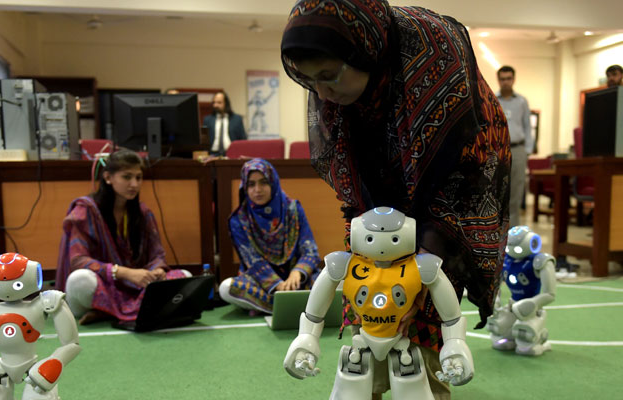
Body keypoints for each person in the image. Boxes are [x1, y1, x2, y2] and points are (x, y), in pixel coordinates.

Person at [281, 1, 511, 398]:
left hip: (457, 190)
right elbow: (354, 190)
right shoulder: (340, 99)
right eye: (307, 80)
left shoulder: (436, 60)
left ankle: (432, 377)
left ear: (365, 50)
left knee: (423, 337)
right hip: (386, 197)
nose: (321, 93)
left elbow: (459, 184)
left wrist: (421, 279)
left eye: (328, 76)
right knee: (372, 313)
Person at [55, 149, 188, 324]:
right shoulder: (86, 210)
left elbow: (157, 255)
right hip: (103, 285)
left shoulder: (142, 213)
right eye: (127, 177)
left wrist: (157, 271)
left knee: (184, 276)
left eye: (138, 178)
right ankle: (125, 309)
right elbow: (78, 261)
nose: (134, 184)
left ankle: (107, 312)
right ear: (108, 178)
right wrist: (123, 273)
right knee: (79, 280)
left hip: (136, 286)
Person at [218, 158, 321, 314]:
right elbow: (253, 262)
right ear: (244, 187)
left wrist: (297, 272)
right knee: (226, 288)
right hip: (262, 282)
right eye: (251, 184)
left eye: (264, 182)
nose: (257, 190)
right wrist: (278, 286)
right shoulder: (239, 219)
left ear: (273, 183)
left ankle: (275, 307)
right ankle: (297, 307)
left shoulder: (293, 209)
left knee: (332, 282)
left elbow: (310, 250)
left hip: (297, 281)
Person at [497, 65, 533, 229]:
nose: (506, 82)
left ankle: (514, 233)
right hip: (498, 150)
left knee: (516, 192)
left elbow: (527, 126)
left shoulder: (522, 101)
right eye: (502, 79)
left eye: (508, 78)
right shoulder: (493, 99)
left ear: (513, 79)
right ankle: (496, 232)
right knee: (498, 191)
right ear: (499, 80)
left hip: (518, 150)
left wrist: (527, 151)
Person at [203, 91, 248, 156]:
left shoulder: (237, 119)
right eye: (214, 102)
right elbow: (204, 141)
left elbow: (243, 140)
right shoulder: (207, 120)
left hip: (232, 154)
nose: (215, 105)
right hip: (212, 155)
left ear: (226, 103)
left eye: (219, 102)